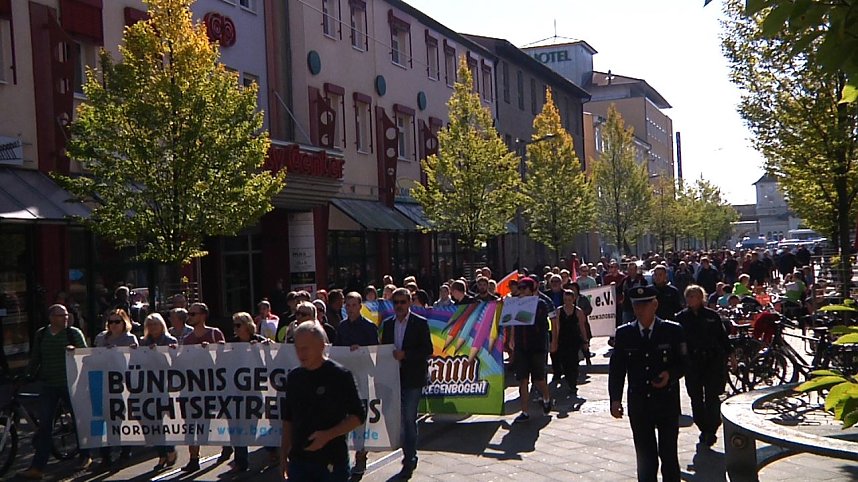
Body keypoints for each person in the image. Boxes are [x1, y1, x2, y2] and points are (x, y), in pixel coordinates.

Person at [609, 285, 687, 482]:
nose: (639, 309)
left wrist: (670, 374)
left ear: (655, 305)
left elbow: (685, 363)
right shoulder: (624, 333)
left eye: (644, 305)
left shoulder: (672, 330)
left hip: (666, 401)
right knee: (645, 458)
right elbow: (617, 369)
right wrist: (615, 399)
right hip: (640, 402)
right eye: (636, 305)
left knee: (668, 455)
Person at [280, 322, 366, 481]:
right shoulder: (294, 377)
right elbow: (288, 419)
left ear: (321, 346)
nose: (301, 353)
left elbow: (358, 416)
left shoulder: (340, 376)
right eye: (297, 348)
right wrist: (284, 455)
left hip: (331, 461)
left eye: (305, 348)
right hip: (299, 461)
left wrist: (327, 435)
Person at [18, 304, 88, 480]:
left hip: (70, 384)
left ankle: (85, 455)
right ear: (51, 318)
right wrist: (27, 376)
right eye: (60, 315)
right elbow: (36, 358)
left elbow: (86, 357)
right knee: (45, 426)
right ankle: (38, 467)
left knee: (79, 420)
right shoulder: (42, 335)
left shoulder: (73, 333)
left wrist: (76, 351)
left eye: (66, 315)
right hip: (49, 385)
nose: (65, 318)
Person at [380, 288, 432, 480]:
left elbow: (428, 349)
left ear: (409, 302)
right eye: (396, 303)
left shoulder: (420, 323)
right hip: (394, 378)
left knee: (409, 419)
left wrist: (406, 355)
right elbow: (383, 349)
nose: (399, 306)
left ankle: (409, 458)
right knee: (400, 420)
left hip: (413, 378)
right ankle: (408, 453)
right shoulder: (387, 324)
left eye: (403, 302)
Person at [675, 285, 731, 447]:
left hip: (712, 361)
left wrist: (730, 356)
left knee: (712, 397)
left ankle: (711, 429)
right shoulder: (681, 318)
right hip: (693, 363)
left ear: (701, 298)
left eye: (694, 296)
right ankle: (702, 427)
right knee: (696, 397)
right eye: (689, 296)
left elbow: (722, 338)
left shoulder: (712, 316)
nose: (691, 299)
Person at [334, 292, 380, 481]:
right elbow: (336, 351)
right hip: (346, 380)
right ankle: (344, 459)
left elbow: (376, 354)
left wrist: (360, 351)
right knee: (343, 420)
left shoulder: (369, 328)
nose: (350, 308)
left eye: (354, 305)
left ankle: (360, 456)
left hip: (362, 377)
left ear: (360, 306)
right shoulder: (342, 327)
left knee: (360, 419)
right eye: (348, 305)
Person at [220, 312, 269, 473]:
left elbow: (268, 365)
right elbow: (221, 364)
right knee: (236, 428)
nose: (235, 329)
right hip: (235, 392)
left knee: (251, 428)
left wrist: (263, 349)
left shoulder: (260, 341)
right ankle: (241, 462)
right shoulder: (232, 343)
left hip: (254, 392)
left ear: (247, 325)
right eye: (234, 325)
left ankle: (272, 448)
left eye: (238, 325)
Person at [92, 309, 140, 469]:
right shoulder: (101, 337)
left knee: (121, 417)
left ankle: (125, 450)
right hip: (103, 383)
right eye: (111, 321)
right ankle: (105, 455)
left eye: (117, 321)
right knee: (104, 418)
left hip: (121, 384)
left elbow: (135, 360)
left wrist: (133, 351)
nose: (113, 325)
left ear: (124, 322)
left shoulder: (129, 338)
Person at [181, 302, 226, 473]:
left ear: (203, 315)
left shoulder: (214, 334)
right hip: (192, 385)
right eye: (189, 314)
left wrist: (212, 350)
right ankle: (194, 458)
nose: (190, 317)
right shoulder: (187, 339)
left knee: (209, 421)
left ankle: (226, 445)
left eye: (193, 314)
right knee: (191, 422)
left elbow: (225, 356)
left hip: (211, 385)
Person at [138, 313, 179, 471]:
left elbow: (173, 363)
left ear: (162, 325)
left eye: (156, 324)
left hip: (164, 387)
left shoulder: (170, 341)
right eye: (150, 324)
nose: (153, 327)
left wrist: (159, 353)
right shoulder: (143, 342)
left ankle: (165, 452)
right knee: (149, 422)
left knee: (161, 422)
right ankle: (165, 450)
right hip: (147, 387)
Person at [511, 277, 555, 422]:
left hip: (536, 346)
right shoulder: (515, 303)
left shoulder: (541, 304)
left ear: (531, 289)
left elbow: (542, 321)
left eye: (524, 288)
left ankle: (547, 398)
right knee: (523, 380)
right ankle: (524, 411)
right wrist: (511, 339)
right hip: (521, 346)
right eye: (520, 288)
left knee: (539, 379)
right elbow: (512, 322)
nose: (521, 291)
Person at [553, 289, 589, 394]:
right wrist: (555, 340)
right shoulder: (559, 311)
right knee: (564, 362)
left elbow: (582, 327)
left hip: (574, 340)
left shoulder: (578, 311)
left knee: (574, 362)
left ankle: (573, 383)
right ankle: (568, 379)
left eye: (569, 299)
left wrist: (585, 341)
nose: (567, 302)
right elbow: (557, 327)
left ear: (573, 299)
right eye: (565, 299)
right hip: (563, 340)